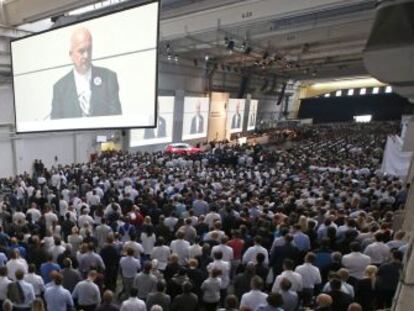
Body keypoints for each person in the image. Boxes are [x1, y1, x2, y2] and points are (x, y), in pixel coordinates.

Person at [50, 27, 122, 119]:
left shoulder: (108, 78)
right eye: (81, 51)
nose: (86, 55)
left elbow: (116, 120)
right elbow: (56, 127)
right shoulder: (60, 88)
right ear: (71, 55)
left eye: (89, 49)